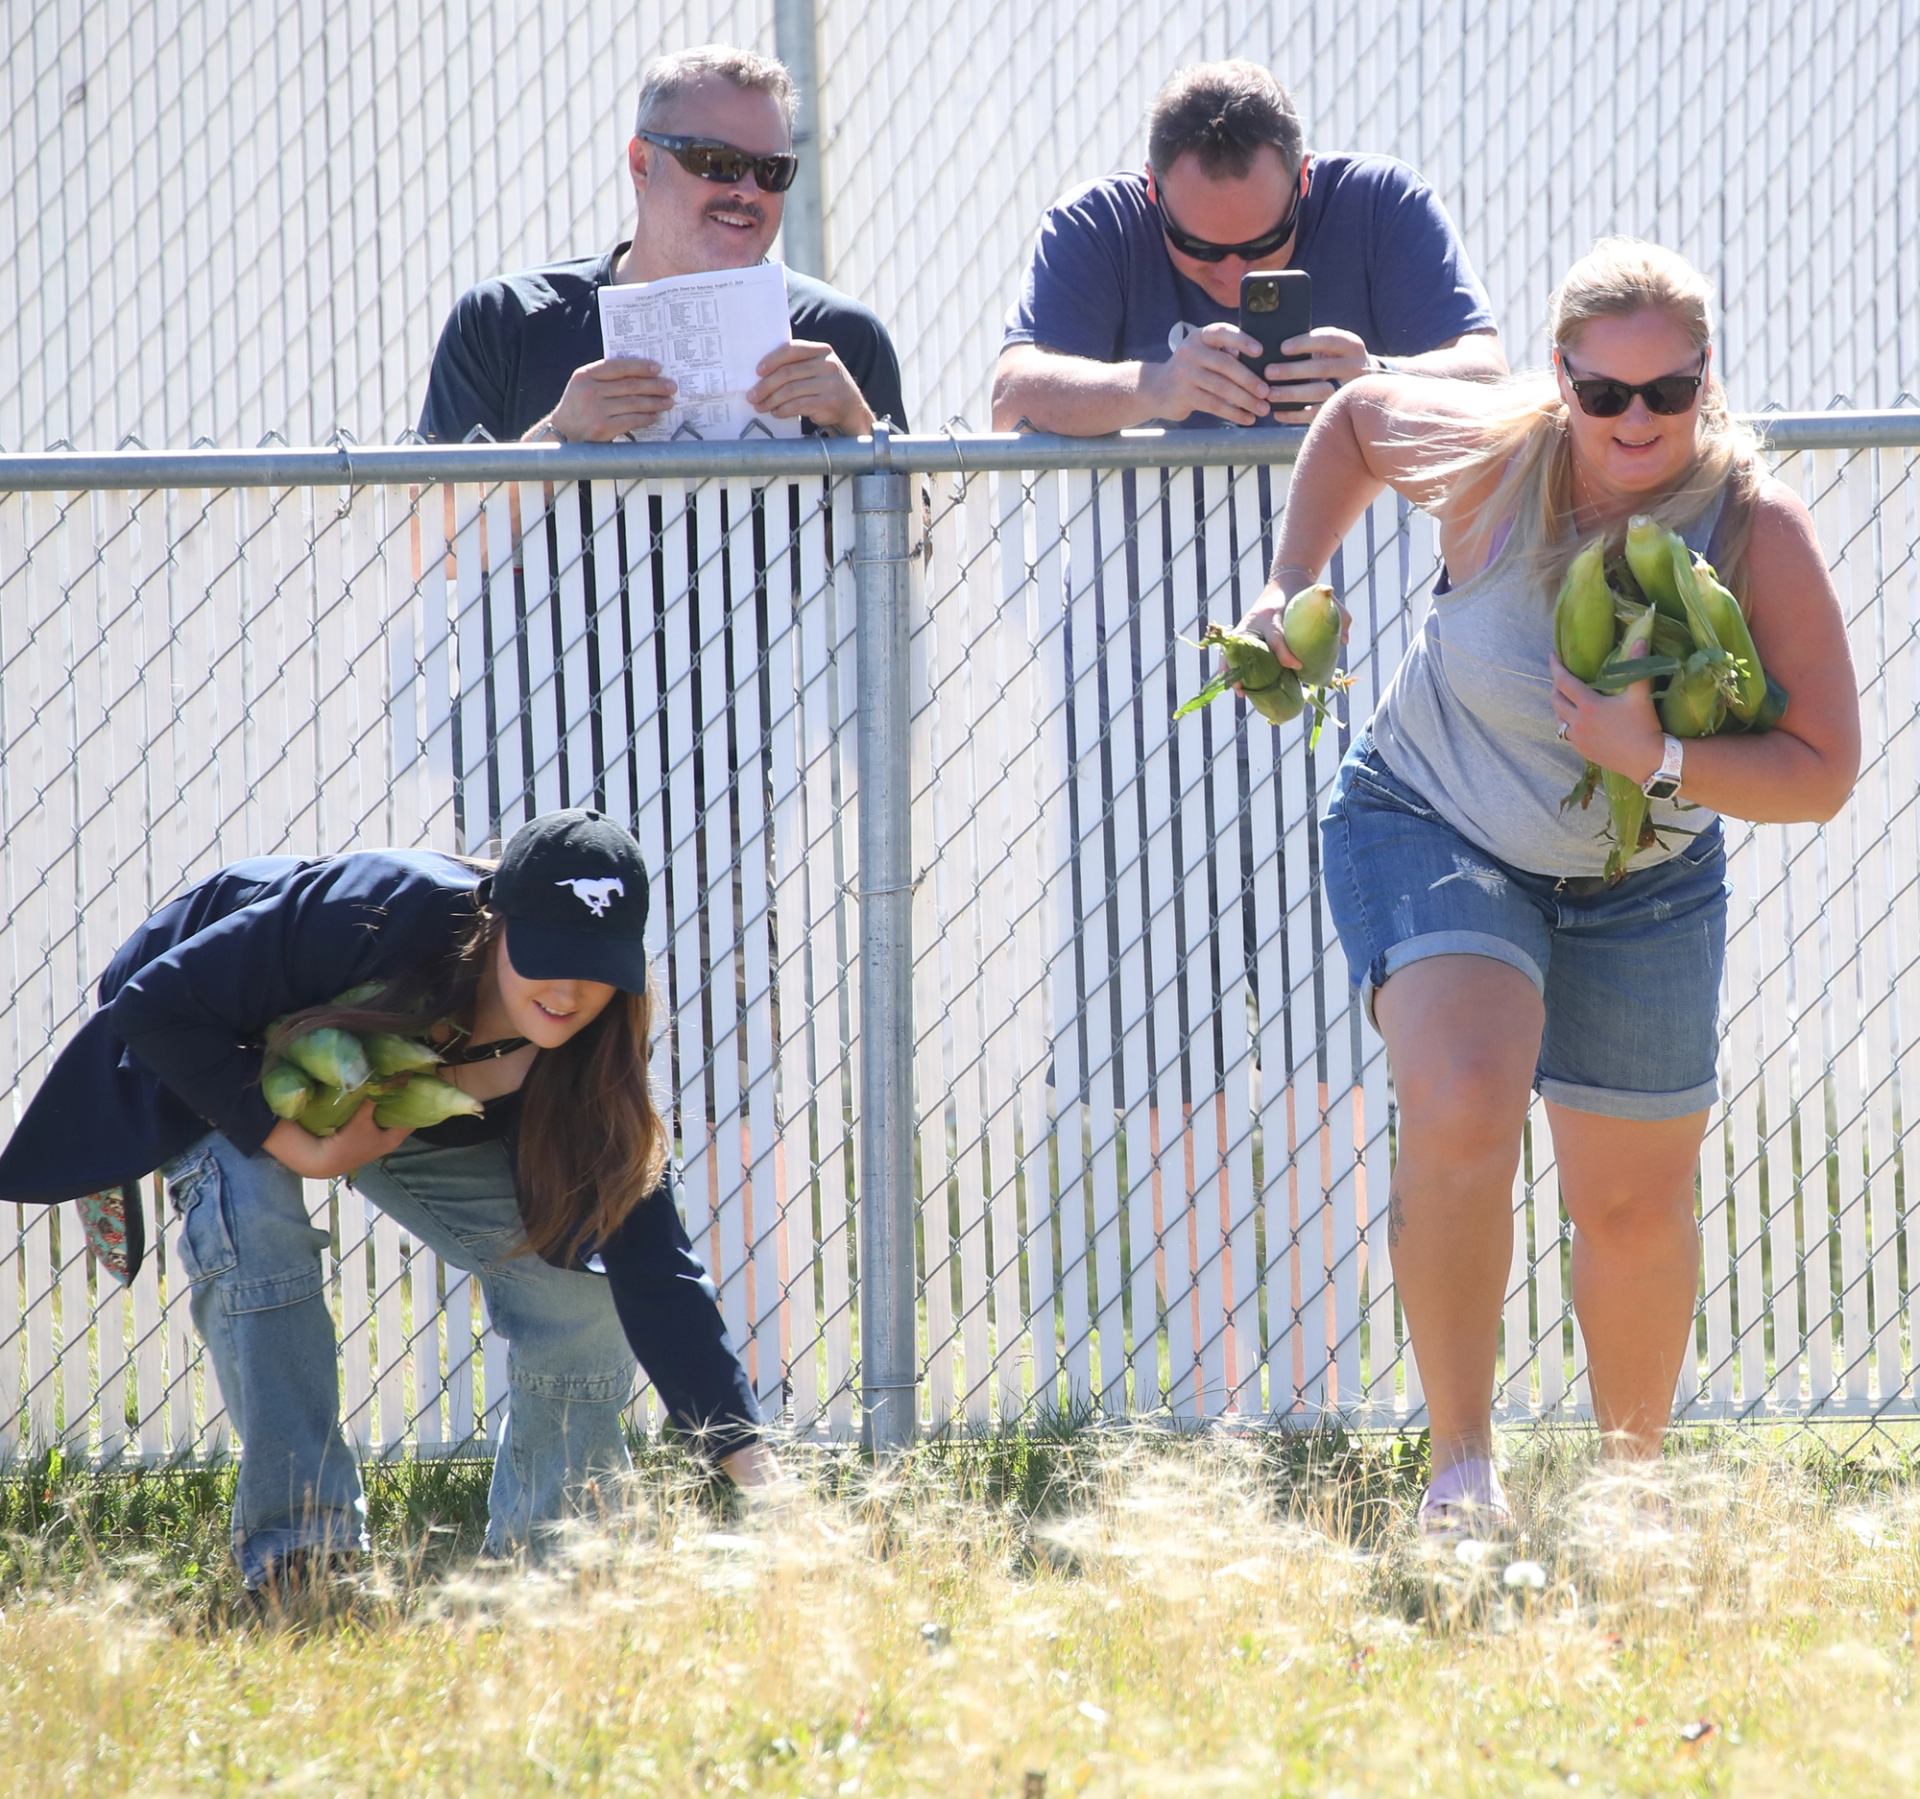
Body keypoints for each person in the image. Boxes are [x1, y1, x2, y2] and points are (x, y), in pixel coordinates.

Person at [1234, 238, 1858, 1535]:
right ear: (1561, 376)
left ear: (1705, 383)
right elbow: (1352, 419)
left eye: (1668, 392)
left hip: (1646, 876)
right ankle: (1461, 1476)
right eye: (1606, 391)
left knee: (1629, 1199)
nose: (1636, 422)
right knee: (1466, 1092)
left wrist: (1665, 754)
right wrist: (1294, 581)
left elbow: (1820, 773)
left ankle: (1633, 1495)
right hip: (1433, 814)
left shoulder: (1751, 527)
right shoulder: (1493, 453)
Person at [0, 809, 776, 1599]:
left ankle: (550, 1568)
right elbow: (155, 1002)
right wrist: (304, 1147)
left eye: (596, 964)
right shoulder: (385, 913)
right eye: (547, 955)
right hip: (222, 1046)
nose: (570, 989)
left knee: (585, 1285)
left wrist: (760, 1477)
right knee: (260, 1218)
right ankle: (305, 1556)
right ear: (497, 921)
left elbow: (657, 1264)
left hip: (400, 1100)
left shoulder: (595, 1049)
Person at [419, 44, 906, 443]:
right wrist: (557, 440)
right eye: (716, 161)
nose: (748, 190)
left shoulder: (839, 337)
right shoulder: (506, 323)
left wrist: (857, 427)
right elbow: (429, 546)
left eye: (772, 169)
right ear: (642, 165)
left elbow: (916, 550)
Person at [992, 59, 1505, 434]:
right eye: (1199, 247)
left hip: (1341, 577)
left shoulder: (1380, 203)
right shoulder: (1097, 223)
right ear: (1153, 190)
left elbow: (1487, 377)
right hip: (1144, 578)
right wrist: (1155, 387)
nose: (1236, 276)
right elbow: (1012, 398)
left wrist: (1377, 378)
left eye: (1266, 242)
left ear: (1304, 179)